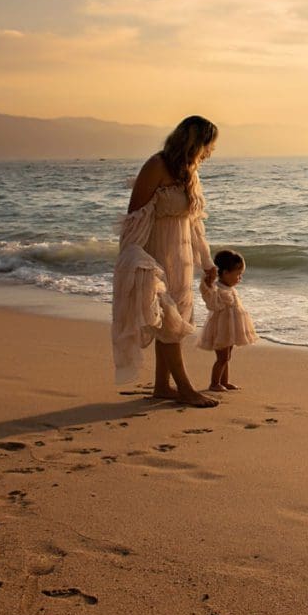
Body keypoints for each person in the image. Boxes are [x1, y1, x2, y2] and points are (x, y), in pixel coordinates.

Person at [112, 115, 220, 407]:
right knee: (168, 319)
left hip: (181, 257)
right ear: (195, 142)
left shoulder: (189, 172)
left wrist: (207, 263)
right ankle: (185, 388)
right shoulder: (156, 166)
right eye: (208, 145)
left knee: (173, 320)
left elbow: (195, 223)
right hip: (156, 253)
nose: (210, 152)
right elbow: (134, 216)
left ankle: (162, 386)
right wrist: (135, 259)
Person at [199, 249, 259, 392]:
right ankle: (214, 383)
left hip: (230, 328)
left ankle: (224, 381)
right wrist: (207, 284)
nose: (240, 278)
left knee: (227, 356)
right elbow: (210, 300)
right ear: (225, 273)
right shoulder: (217, 289)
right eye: (238, 275)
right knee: (222, 358)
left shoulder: (229, 288)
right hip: (222, 329)